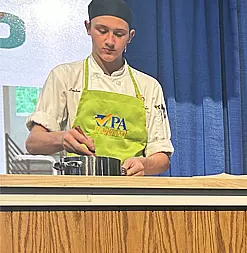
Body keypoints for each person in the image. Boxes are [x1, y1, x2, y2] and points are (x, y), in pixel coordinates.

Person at [24, 0, 174, 176]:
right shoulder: (65, 76)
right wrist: (62, 138)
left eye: (119, 34)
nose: (110, 41)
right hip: (80, 191)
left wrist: (145, 164)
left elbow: (162, 157)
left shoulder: (149, 86)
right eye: (102, 31)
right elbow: (33, 143)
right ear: (88, 28)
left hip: (133, 193)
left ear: (131, 36)